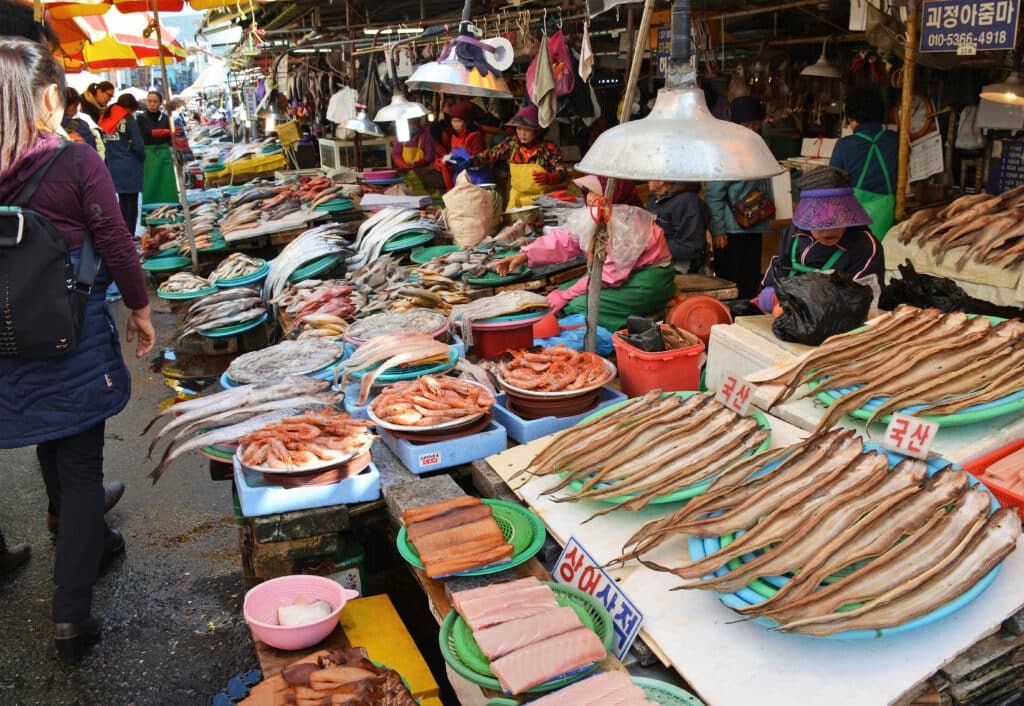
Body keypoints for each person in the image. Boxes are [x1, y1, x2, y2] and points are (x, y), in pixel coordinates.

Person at [0, 38, 155, 662]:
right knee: (80, 462)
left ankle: (82, 537)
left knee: (45, 427)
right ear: (46, 97)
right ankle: (70, 617)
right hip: (72, 330)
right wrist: (140, 308)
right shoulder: (74, 160)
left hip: (5, 339)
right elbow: (114, 240)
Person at [492, 203, 676, 332]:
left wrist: (566, 295)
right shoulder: (594, 217)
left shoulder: (626, 226)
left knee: (580, 305)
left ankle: (616, 333)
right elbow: (566, 241)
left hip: (650, 279)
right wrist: (525, 255)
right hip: (618, 274)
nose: (589, 198)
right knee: (557, 294)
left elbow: (609, 275)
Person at [756, 166, 884, 314]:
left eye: (838, 220)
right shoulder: (793, 234)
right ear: (806, 215)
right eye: (819, 223)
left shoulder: (864, 246)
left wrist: (806, 306)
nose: (829, 230)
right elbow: (773, 281)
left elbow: (863, 302)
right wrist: (774, 299)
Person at [706, 96, 774, 298]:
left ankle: (745, 315)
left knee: (750, 279)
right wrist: (718, 230)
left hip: (755, 224)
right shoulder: (726, 152)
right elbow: (713, 195)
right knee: (730, 280)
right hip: (731, 231)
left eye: (755, 125)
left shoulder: (759, 148)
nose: (752, 130)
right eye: (747, 125)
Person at [462, 104, 567, 209]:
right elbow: (490, 154)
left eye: (527, 130)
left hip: (542, 202)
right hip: (516, 201)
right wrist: (471, 161)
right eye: (519, 129)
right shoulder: (511, 144)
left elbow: (561, 171)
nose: (522, 134)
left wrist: (551, 178)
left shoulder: (549, 148)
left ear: (537, 131)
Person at [829, 87, 898, 239]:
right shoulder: (895, 142)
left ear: (853, 118)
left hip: (853, 227)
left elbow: (831, 185)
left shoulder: (844, 145)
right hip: (887, 226)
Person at [100, 93, 146, 234]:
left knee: (121, 200)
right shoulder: (129, 121)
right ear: (129, 107)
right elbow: (139, 146)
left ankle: (122, 233)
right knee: (132, 201)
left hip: (113, 165)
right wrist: (142, 158)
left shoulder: (106, 119)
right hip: (130, 165)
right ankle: (130, 234)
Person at [647, 180, 710, 274]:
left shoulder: (687, 201)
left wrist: (652, 244)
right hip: (658, 261)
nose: (647, 180)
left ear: (661, 181)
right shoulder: (657, 199)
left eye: (650, 176)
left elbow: (691, 247)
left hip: (678, 268)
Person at [136, 90, 178, 205]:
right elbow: (145, 134)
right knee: (150, 185)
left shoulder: (166, 118)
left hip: (164, 154)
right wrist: (164, 132)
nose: (152, 104)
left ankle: (170, 207)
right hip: (148, 155)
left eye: (155, 101)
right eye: (149, 101)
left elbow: (171, 139)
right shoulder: (141, 118)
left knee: (166, 183)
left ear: (160, 103)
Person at [439, 100, 490, 189]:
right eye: (453, 121)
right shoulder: (454, 135)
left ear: (467, 122)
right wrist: (447, 159)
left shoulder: (475, 136)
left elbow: (479, 159)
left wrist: (467, 162)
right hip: (460, 178)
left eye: (458, 121)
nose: (455, 125)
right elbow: (453, 153)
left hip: (476, 180)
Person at [574, 173, 643, 208]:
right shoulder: (587, 211)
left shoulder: (633, 220)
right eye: (588, 191)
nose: (589, 196)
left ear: (617, 194)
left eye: (595, 192)